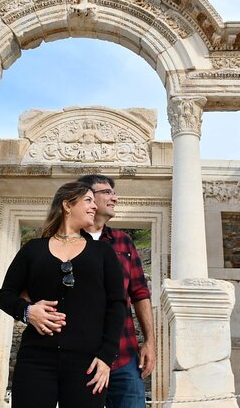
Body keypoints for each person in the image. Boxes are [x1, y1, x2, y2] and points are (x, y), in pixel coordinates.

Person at [0, 181, 125, 408]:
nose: (94, 207)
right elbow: (5, 295)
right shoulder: (32, 249)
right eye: (88, 200)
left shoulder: (103, 252)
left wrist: (106, 357)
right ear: (67, 205)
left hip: (88, 363)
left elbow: (117, 305)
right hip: (35, 358)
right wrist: (28, 311)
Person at [77, 174, 156, 408]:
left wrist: (150, 342)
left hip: (124, 355)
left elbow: (140, 293)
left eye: (114, 192)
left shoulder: (124, 242)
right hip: (81, 356)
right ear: (87, 198)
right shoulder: (65, 242)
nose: (115, 198)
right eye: (107, 193)